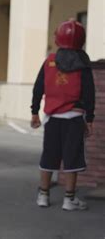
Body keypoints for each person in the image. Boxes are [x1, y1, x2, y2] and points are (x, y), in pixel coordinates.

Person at [31, 20, 95, 211]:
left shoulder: (49, 61)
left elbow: (38, 87)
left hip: (52, 118)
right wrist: (90, 119)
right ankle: (69, 200)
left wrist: (34, 111)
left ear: (58, 38)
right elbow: (89, 93)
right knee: (72, 158)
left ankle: (43, 195)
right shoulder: (83, 63)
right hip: (74, 119)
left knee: (49, 156)